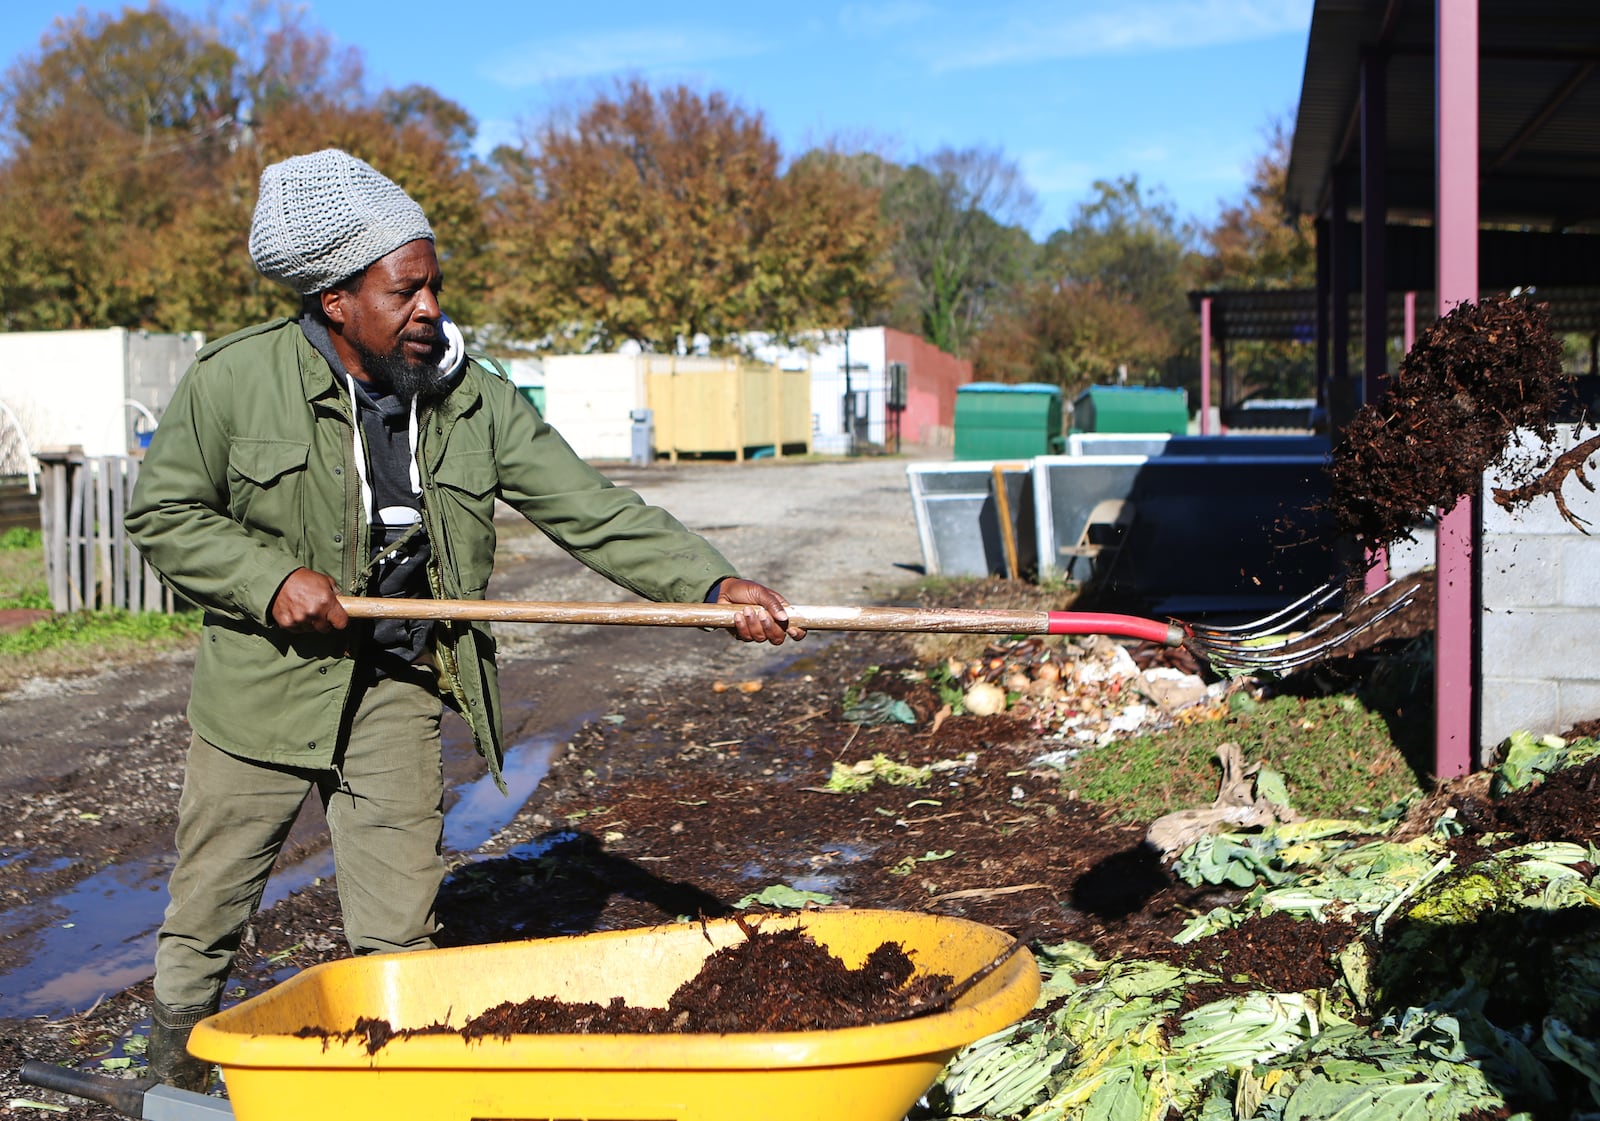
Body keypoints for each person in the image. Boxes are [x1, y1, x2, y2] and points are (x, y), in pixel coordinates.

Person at [124, 148, 804, 1091]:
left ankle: (388, 1097)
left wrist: (711, 585)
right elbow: (162, 512)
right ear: (336, 300)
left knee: (400, 933)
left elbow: (589, 507)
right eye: (406, 290)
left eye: (434, 284)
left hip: (398, 685)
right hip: (262, 692)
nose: (430, 307)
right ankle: (168, 1084)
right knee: (206, 919)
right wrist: (270, 575)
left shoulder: (472, 397)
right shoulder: (236, 380)